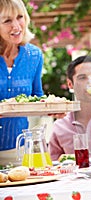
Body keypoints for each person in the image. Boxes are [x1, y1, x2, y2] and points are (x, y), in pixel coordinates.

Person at [0, 0, 44, 165]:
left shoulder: (34, 56)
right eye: (7, 21)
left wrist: (52, 109)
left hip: (19, 148)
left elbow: (37, 96)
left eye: (20, 17)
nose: (16, 25)